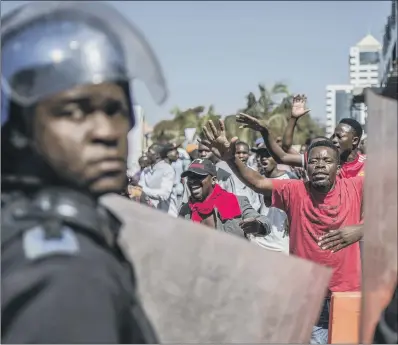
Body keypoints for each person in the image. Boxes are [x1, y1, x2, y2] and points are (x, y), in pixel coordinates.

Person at [1, 2, 167, 343]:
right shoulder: (65, 273)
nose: (106, 132)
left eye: (115, 110)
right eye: (74, 112)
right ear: (21, 131)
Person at [202, 118, 364, 344]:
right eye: (314, 161)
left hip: (347, 294)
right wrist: (229, 158)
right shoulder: (294, 190)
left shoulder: (357, 186)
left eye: (327, 161)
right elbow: (258, 182)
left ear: (338, 168)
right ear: (305, 167)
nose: (319, 165)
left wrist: (361, 229)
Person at [277, 95, 365, 178]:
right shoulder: (322, 161)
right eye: (333, 136)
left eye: (339, 136)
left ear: (355, 141)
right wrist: (293, 118)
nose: (334, 140)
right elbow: (285, 151)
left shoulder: (369, 165)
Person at [178, 159, 270, 239]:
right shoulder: (185, 210)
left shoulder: (237, 202)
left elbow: (264, 221)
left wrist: (258, 226)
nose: (193, 181)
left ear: (213, 180)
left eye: (199, 176)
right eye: (190, 177)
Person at [248, 147, 297, 254]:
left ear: (276, 158)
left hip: (282, 242)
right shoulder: (258, 181)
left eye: (267, 155)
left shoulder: (290, 178)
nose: (263, 158)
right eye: (261, 156)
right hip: (260, 240)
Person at [181, 140, 236, 204]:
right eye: (200, 151)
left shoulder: (224, 176)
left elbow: (232, 202)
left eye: (207, 151)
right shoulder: (191, 174)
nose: (203, 154)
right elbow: (185, 201)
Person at [217, 140, 262, 212]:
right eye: (238, 153)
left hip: (251, 213)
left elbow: (256, 199)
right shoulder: (225, 171)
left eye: (244, 153)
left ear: (249, 154)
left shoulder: (253, 172)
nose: (241, 156)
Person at [135, 143, 176, 212]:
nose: (146, 154)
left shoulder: (168, 169)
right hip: (151, 214)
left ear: (157, 155)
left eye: (149, 152)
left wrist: (141, 189)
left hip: (167, 215)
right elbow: (139, 188)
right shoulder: (146, 170)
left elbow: (164, 194)